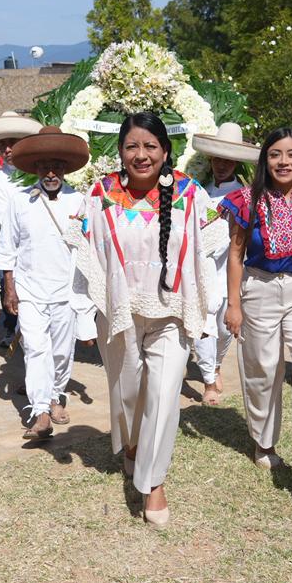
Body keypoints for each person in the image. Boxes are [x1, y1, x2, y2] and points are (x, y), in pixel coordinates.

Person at [73, 113, 221, 527]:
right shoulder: (101, 194)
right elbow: (83, 259)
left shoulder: (191, 194)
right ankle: (133, 445)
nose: (142, 155)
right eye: (132, 146)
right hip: (119, 312)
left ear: (166, 150)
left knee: (164, 391)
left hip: (172, 310)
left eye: (150, 146)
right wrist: (84, 315)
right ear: (120, 151)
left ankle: (153, 483)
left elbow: (208, 254)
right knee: (128, 390)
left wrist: (206, 311)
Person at [221, 128, 292, 500]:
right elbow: (236, 254)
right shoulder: (247, 201)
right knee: (263, 371)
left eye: (291, 155)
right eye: (275, 155)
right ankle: (264, 443)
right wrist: (233, 304)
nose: (283, 162)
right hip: (259, 291)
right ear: (264, 160)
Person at [0, 126, 94, 439]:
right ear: (35, 168)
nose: (50, 172)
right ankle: (40, 411)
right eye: (44, 166)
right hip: (30, 290)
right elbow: (7, 245)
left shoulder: (80, 201)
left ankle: (56, 396)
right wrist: (9, 287)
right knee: (35, 348)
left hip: (66, 290)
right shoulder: (20, 200)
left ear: (65, 169)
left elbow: (89, 247)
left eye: (57, 166)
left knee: (62, 352)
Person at [188, 123, 259, 405]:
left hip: (230, 268)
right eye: (218, 159)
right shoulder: (197, 193)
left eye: (228, 160)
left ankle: (216, 364)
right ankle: (208, 380)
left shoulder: (246, 196)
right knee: (204, 321)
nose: (222, 165)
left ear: (236, 163)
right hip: (202, 268)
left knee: (224, 325)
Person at [0, 111, 43, 344]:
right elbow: (9, 221)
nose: (7, 149)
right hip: (17, 253)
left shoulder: (42, 174)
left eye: (12, 143)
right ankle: (11, 330)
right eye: (2, 145)